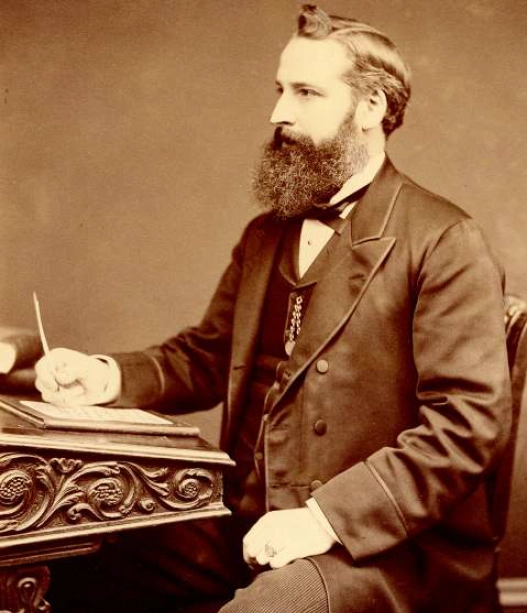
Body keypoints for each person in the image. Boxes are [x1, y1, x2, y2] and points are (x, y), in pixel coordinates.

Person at [35, 5, 511, 613]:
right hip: (248, 521)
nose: (279, 113)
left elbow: (465, 428)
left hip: (380, 548)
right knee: (67, 559)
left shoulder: (445, 240)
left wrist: (323, 519)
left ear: (371, 107)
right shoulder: (267, 233)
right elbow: (207, 356)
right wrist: (105, 377)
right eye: (280, 90)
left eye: (306, 93)